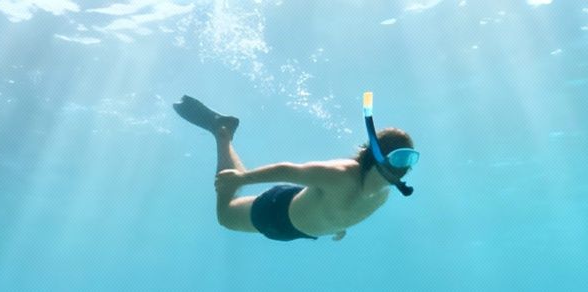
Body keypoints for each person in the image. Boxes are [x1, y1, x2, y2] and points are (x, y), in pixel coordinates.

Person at [173, 95, 417, 244]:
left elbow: (346, 208)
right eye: (399, 158)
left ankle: (226, 142)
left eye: (409, 161)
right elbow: (289, 170)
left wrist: (339, 226)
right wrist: (241, 178)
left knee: (230, 206)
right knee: (225, 216)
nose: (403, 169)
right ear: (377, 153)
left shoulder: (382, 195)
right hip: (275, 212)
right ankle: (222, 132)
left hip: (296, 229)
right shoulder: (341, 175)